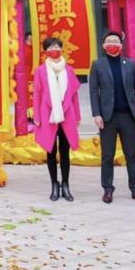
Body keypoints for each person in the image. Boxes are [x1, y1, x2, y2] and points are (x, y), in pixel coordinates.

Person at [88, 31, 135, 204]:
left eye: (116, 41)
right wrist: (96, 114)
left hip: (128, 116)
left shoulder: (130, 64)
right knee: (107, 155)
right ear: (103, 45)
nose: (112, 44)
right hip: (107, 117)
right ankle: (108, 189)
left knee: (131, 154)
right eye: (109, 41)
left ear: (121, 46)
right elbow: (93, 91)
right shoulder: (98, 64)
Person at [32, 37, 81, 201]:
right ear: (45, 51)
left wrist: (77, 116)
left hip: (67, 115)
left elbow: (74, 95)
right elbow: (37, 95)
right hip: (48, 116)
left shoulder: (69, 70)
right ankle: (54, 184)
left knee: (65, 152)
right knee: (51, 151)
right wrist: (37, 117)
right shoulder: (40, 71)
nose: (54, 49)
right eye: (50, 47)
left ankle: (66, 184)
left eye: (57, 46)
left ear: (61, 48)